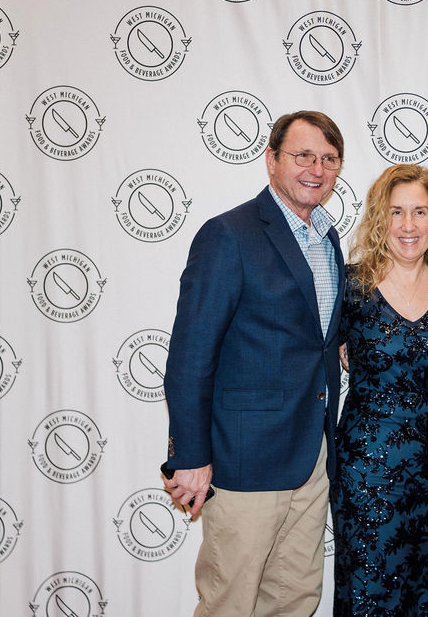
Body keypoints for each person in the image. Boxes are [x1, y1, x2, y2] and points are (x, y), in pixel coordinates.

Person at [161, 110, 346, 617]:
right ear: (271, 160)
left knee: (295, 598)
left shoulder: (328, 238)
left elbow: (314, 336)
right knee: (230, 601)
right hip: (244, 459)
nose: (316, 168)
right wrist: (190, 455)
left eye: (329, 159)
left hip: (311, 455)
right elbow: (191, 354)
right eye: (303, 155)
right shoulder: (229, 234)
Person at [331, 164, 428, 616]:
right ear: (379, 219)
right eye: (396, 212)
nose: (408, 225)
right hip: (366, 473)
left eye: (420, 212)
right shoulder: (351, 286)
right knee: (370, 591)